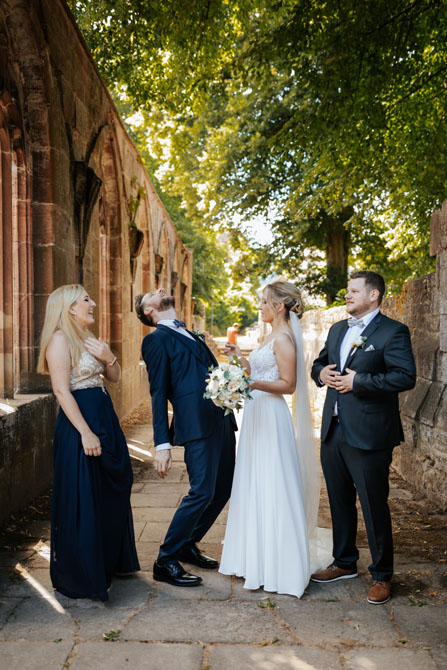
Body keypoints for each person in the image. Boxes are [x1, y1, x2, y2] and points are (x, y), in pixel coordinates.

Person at [219, 280, 331, 597]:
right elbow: (257, 372)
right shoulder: (269, 335)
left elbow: (288, 385)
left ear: (279, 306)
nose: (260, 307)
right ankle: (254, 559)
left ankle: (280, 564)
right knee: (255, 481)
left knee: (273, 481)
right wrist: (239, 359)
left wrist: (249, 382)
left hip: (271, 415)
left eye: (264, 302)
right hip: (257, 415)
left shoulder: (283, 339)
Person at [310, 270, 416, 605]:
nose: (347, 295)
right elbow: (320, 363)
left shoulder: (393, 331)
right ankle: (344, 562)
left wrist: (361, 382)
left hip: (370, 433)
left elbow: (405, 376)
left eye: (354, 291)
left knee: (373, 504)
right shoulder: (338, 328)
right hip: (333, 429)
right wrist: (320, 373)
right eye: (347, 291)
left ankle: (382, 575)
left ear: (374, 295)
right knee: (339, 501)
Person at [37, 284, 140, 601]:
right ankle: (84, 573)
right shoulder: (59, 340)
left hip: (104, 417)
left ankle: (110, 559)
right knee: (85, 495)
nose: (93, 303)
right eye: (86, 300)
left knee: (113, 485)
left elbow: (114, 377)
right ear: (69, 307)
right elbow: (61, 391)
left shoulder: (91, 340)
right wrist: (85, 432)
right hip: (80, 423)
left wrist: (110, 358)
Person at [135, 288, 237, 587]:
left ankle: (187, 544)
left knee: (222, 489)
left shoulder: (192, 333)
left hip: (221, 419)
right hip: (194, 426)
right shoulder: (155, 340)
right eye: (150, 295)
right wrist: (162, 443)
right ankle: (165, 560)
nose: (158, 290)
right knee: (201, 491)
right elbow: (157, 394)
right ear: (149, 312)